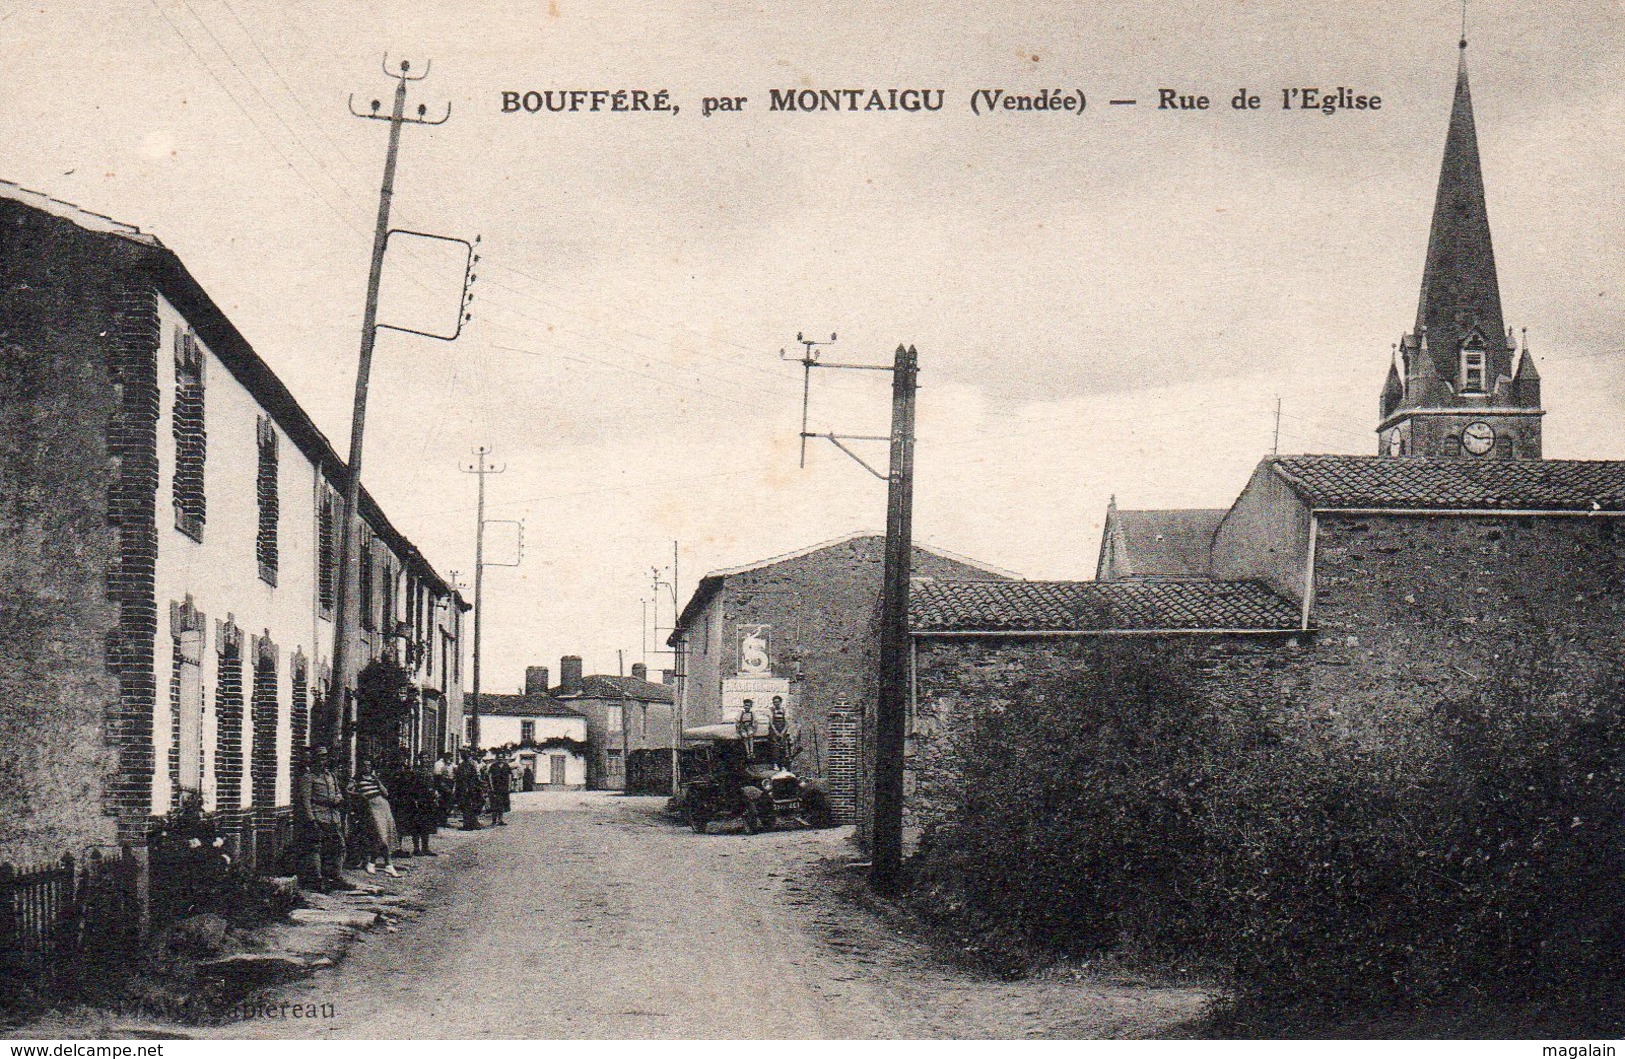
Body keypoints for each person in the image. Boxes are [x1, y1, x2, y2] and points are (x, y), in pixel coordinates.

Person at [295, 746, 352, 893]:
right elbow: (305, 800)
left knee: (339, 846)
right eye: (320, 757)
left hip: (333, 816)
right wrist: (311, 819)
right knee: (317, 848)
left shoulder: (330, 775)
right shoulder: (308, 778)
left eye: (325, 757)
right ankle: (317, 879)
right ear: (313, 759)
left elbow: (339, 792)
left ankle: (336, 877)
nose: (323, 760)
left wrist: (338, 799)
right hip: (318, 815)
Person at [351, 757, 401, 877]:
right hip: (371, 808)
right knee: (381, 836)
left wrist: (378, 781)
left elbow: (386, 793)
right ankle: (387, 865)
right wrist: (360, 795)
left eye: (369, 765)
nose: (367, 767)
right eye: (364, 765)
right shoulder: (356, 779)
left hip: (384, 806)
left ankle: (375, 863)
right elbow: (348, 791)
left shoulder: (374, 778)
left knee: (385, 836)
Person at [399, 751, 440, 857]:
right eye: (422, 758)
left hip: (428, 800)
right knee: (416, 825)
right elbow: (411, 787)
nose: (424, 760)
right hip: (418, 800)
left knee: (427, 824)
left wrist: (435, 792)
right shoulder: (415, 771)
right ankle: (416, 848)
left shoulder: (429, 771)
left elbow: (433, 783)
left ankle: (425, 848)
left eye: (426, 758)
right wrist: (414, 799)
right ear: (419, 759)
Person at [455, 748, 485, 831]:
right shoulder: (462, 764)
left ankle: (471, 824)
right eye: (462, 754)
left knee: (471, 805)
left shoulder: (471, 764)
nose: (462, 755)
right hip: (463, 787)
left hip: (470, 787)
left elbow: (475, 776)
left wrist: (471, 787)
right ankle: (468, 823)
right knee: (465, 806)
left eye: (464, 754)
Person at [488, 750, 513, 826]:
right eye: (499, 758)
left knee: (502, 804)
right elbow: (490, 776)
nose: (500, 759)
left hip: (504, 788)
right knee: (494, 805)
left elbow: (509, 776)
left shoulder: (506, 766)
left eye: (502, 758)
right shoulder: (493, 766)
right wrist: (491, 787)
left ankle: (500, 820)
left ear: (504, 758)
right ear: (496, 758)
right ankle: (494, 820)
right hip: (495, 788)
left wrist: (509, 787)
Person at [433, 751, 457, 827]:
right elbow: (437, 776)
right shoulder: (439, 764)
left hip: (450, 784)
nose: (449, 759)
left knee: (448, 803)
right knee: (441, 802)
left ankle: (444, 819)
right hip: (441, 783)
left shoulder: (451, 764)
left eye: (450, 757)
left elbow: (455, 771)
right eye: (448, 757)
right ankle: (440, 820)